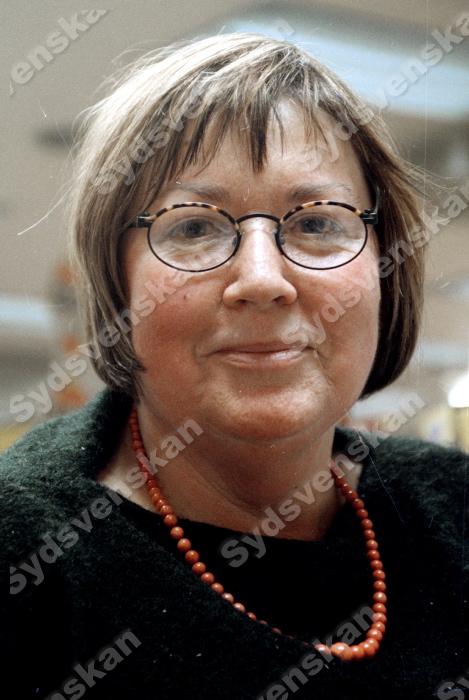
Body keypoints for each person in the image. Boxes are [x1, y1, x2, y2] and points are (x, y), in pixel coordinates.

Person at [1, 33, 467, 700]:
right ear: (116, 284)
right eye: (193, 227)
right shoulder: (26, 549)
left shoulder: (453, 504)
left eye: (316, 223)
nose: (262, 279)